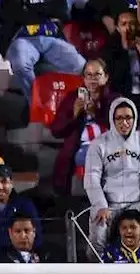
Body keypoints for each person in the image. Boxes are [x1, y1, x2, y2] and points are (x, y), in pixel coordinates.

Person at [85, 97, 140, 245]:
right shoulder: (98, 144)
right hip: (108, 204)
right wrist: (101, 205)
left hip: (136, 203)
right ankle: (98, 267)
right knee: (98, 235)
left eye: (128, 118)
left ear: (134, 118)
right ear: (112, 119)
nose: (124, 123)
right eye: (119, 118)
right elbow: (91, 178)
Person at [0, 0, 84, 97]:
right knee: (21, 64)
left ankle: (73, 105)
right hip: (24, 39)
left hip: (52, 38)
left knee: (81, 66)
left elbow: (63, 11)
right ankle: (36, 103)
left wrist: (29, 7)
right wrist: (46, 11)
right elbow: (13, 13)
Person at [51, 59, 110, 194]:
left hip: (108, 145)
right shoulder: (73, 98)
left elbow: (122, 126)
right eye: (88, 75)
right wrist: (74, 115)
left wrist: (97, 113)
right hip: (82, 147)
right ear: (83, 78)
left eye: (97, 75)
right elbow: (56, 130)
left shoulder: (113, 98)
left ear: (106, 78)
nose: (92, 79)